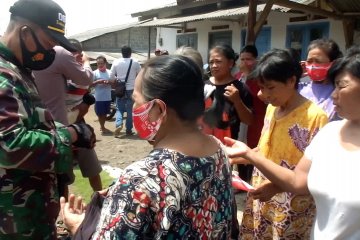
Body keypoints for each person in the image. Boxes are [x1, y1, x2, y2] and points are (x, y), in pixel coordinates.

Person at [60, 55, 237, 239]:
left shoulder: (141, 178)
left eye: (136, 99)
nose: (134, 106)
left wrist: (81, 228)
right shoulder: (217, 150)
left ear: (158, 109)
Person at [224, 47, 360, 239]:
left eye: (270, 87)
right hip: (261, 197)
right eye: (261, 87)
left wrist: (273, 184)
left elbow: (308, 175)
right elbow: (265, 149)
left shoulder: (315, 117)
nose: (264, 94)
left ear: (291, 81)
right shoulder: (272, 109)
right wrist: (238, 156)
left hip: (290, 206)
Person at [0, 0, 96, 239]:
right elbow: (8, 144)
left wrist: (67, 131)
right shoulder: (3, 74)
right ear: (25, 32)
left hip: (29, 215)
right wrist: (72, 134)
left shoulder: (17, 69)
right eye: (48, 43)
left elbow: (31, 124)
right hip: (12, 224)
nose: (49, 52)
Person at [33, 39, 103, 195]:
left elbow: (84, 88)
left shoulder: (67, 74)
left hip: (73, 124)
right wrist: (85, 63)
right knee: (64, 175)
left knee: (89, 168)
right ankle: (66, 210)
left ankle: (100, 200)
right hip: (61, 127)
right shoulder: (60, 70)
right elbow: (86, 79)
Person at [200, 43, 253, 144]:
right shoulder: (203, 86)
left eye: (218, 61)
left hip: (228, 147)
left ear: (230, 63)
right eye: (211, 62)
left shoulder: (240, 89)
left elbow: (249, 121)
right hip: (203, 145)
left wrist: (237, 101)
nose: (214, 66)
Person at [236, 45, 267, 183]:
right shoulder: (237, 76)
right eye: (242, 59)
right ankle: (242, 179)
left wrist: (248, 77)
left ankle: (252, 178)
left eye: (249, 59)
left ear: (256, 60)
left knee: (253, 146)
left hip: (257, 118)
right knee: (240, 143)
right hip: (240, 117)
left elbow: (260, 96)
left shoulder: (259, 78)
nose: (245, 62)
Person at [299, 38, 343, 121]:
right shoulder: (298, 88)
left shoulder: (339, 92)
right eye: (309, 61)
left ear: (333, 64)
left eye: (318, 61)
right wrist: (295, 76)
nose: (312, 66)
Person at [110, 45, 141, 137]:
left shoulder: (116, 62)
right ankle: (128, 130)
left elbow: (111, 78)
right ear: (130, 53)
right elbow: (140, 75)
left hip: (120, 89)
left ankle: (118, 124)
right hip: (131, 89)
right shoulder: (135, 62)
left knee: (119, 109)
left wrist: (118, 79)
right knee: (130, 110)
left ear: (121, 53)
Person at [91, 55, 113, 134]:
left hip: (107, 97)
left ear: (105, 63)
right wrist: (97, 82)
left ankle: (102, 126)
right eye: (98, 64)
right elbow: (90, 84)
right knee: (101, 113)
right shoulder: (94, 73)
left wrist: (109, 82)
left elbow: (114, 83)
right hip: (99, 97)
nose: (100, 65)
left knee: (105, 114)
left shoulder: (110, 72)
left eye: (101, 63)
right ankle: (102, 127)